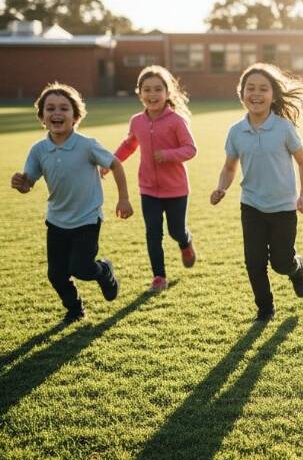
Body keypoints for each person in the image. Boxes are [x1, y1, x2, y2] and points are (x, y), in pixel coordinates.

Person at [11, 82, 133, 322]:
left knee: (82, 268)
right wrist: (21, 183)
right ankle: (75, 310)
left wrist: (124, 198)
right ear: (42, 117)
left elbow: (115, 164)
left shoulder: (87, 145)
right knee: (56, 274)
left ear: (76, 116)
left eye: (64, 108)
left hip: (87, 218)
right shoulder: (39, 150)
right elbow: (29, 183)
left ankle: (104, 271)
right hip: (56, 221)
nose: (57, 113)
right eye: (50, 109)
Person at [210, 63, 303, 321]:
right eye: (251, 88)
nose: (256, 94)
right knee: (254, 262)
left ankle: (296, 269)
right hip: (252, 206)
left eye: (263, 89)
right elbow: (229, 167)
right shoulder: (236, 132)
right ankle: (265, 309)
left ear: (273, 95)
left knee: (281, 263)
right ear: (242, 93)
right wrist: (221, 187)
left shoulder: (283, 128)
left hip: (283, 207)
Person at [110, 66, 197, 292]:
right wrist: (111, 162)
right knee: (153, 233)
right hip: (148, 188)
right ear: (139, 93)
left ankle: (185, 242)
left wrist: (168, 155)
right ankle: (159, 277)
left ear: (168, 93)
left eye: (158, 89)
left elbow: (190, 149)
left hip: (176, 189)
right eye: (147, 89)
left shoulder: (176, 121)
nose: (152, 94)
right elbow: (129, 144)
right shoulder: (137, 121)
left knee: (175, 231)